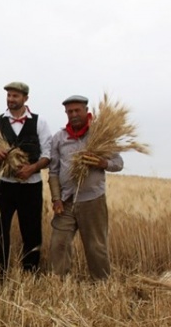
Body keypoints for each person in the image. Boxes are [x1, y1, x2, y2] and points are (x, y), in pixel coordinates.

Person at [48, 94, 123, 280]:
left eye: (77, 110)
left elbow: (118, 163)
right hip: (66, 201)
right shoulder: (59, 138)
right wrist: (56, 198)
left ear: (86, 111)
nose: (73, 114)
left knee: (96, 246)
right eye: (69, 111)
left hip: (93, 200)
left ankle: (101, 284)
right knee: (58, 243)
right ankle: (58, 283)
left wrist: (102, 162)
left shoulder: (100, 134)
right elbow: (53, 172)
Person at [0, 82, 52, 272]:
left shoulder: (40, 122)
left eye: (15, 96)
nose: (11, 99)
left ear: (25, 98)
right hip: (3, 186)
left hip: (31, 186)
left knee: (31, 231)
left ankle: (30, 272)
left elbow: (47, 155)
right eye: (9, 96)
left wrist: (32, 168)